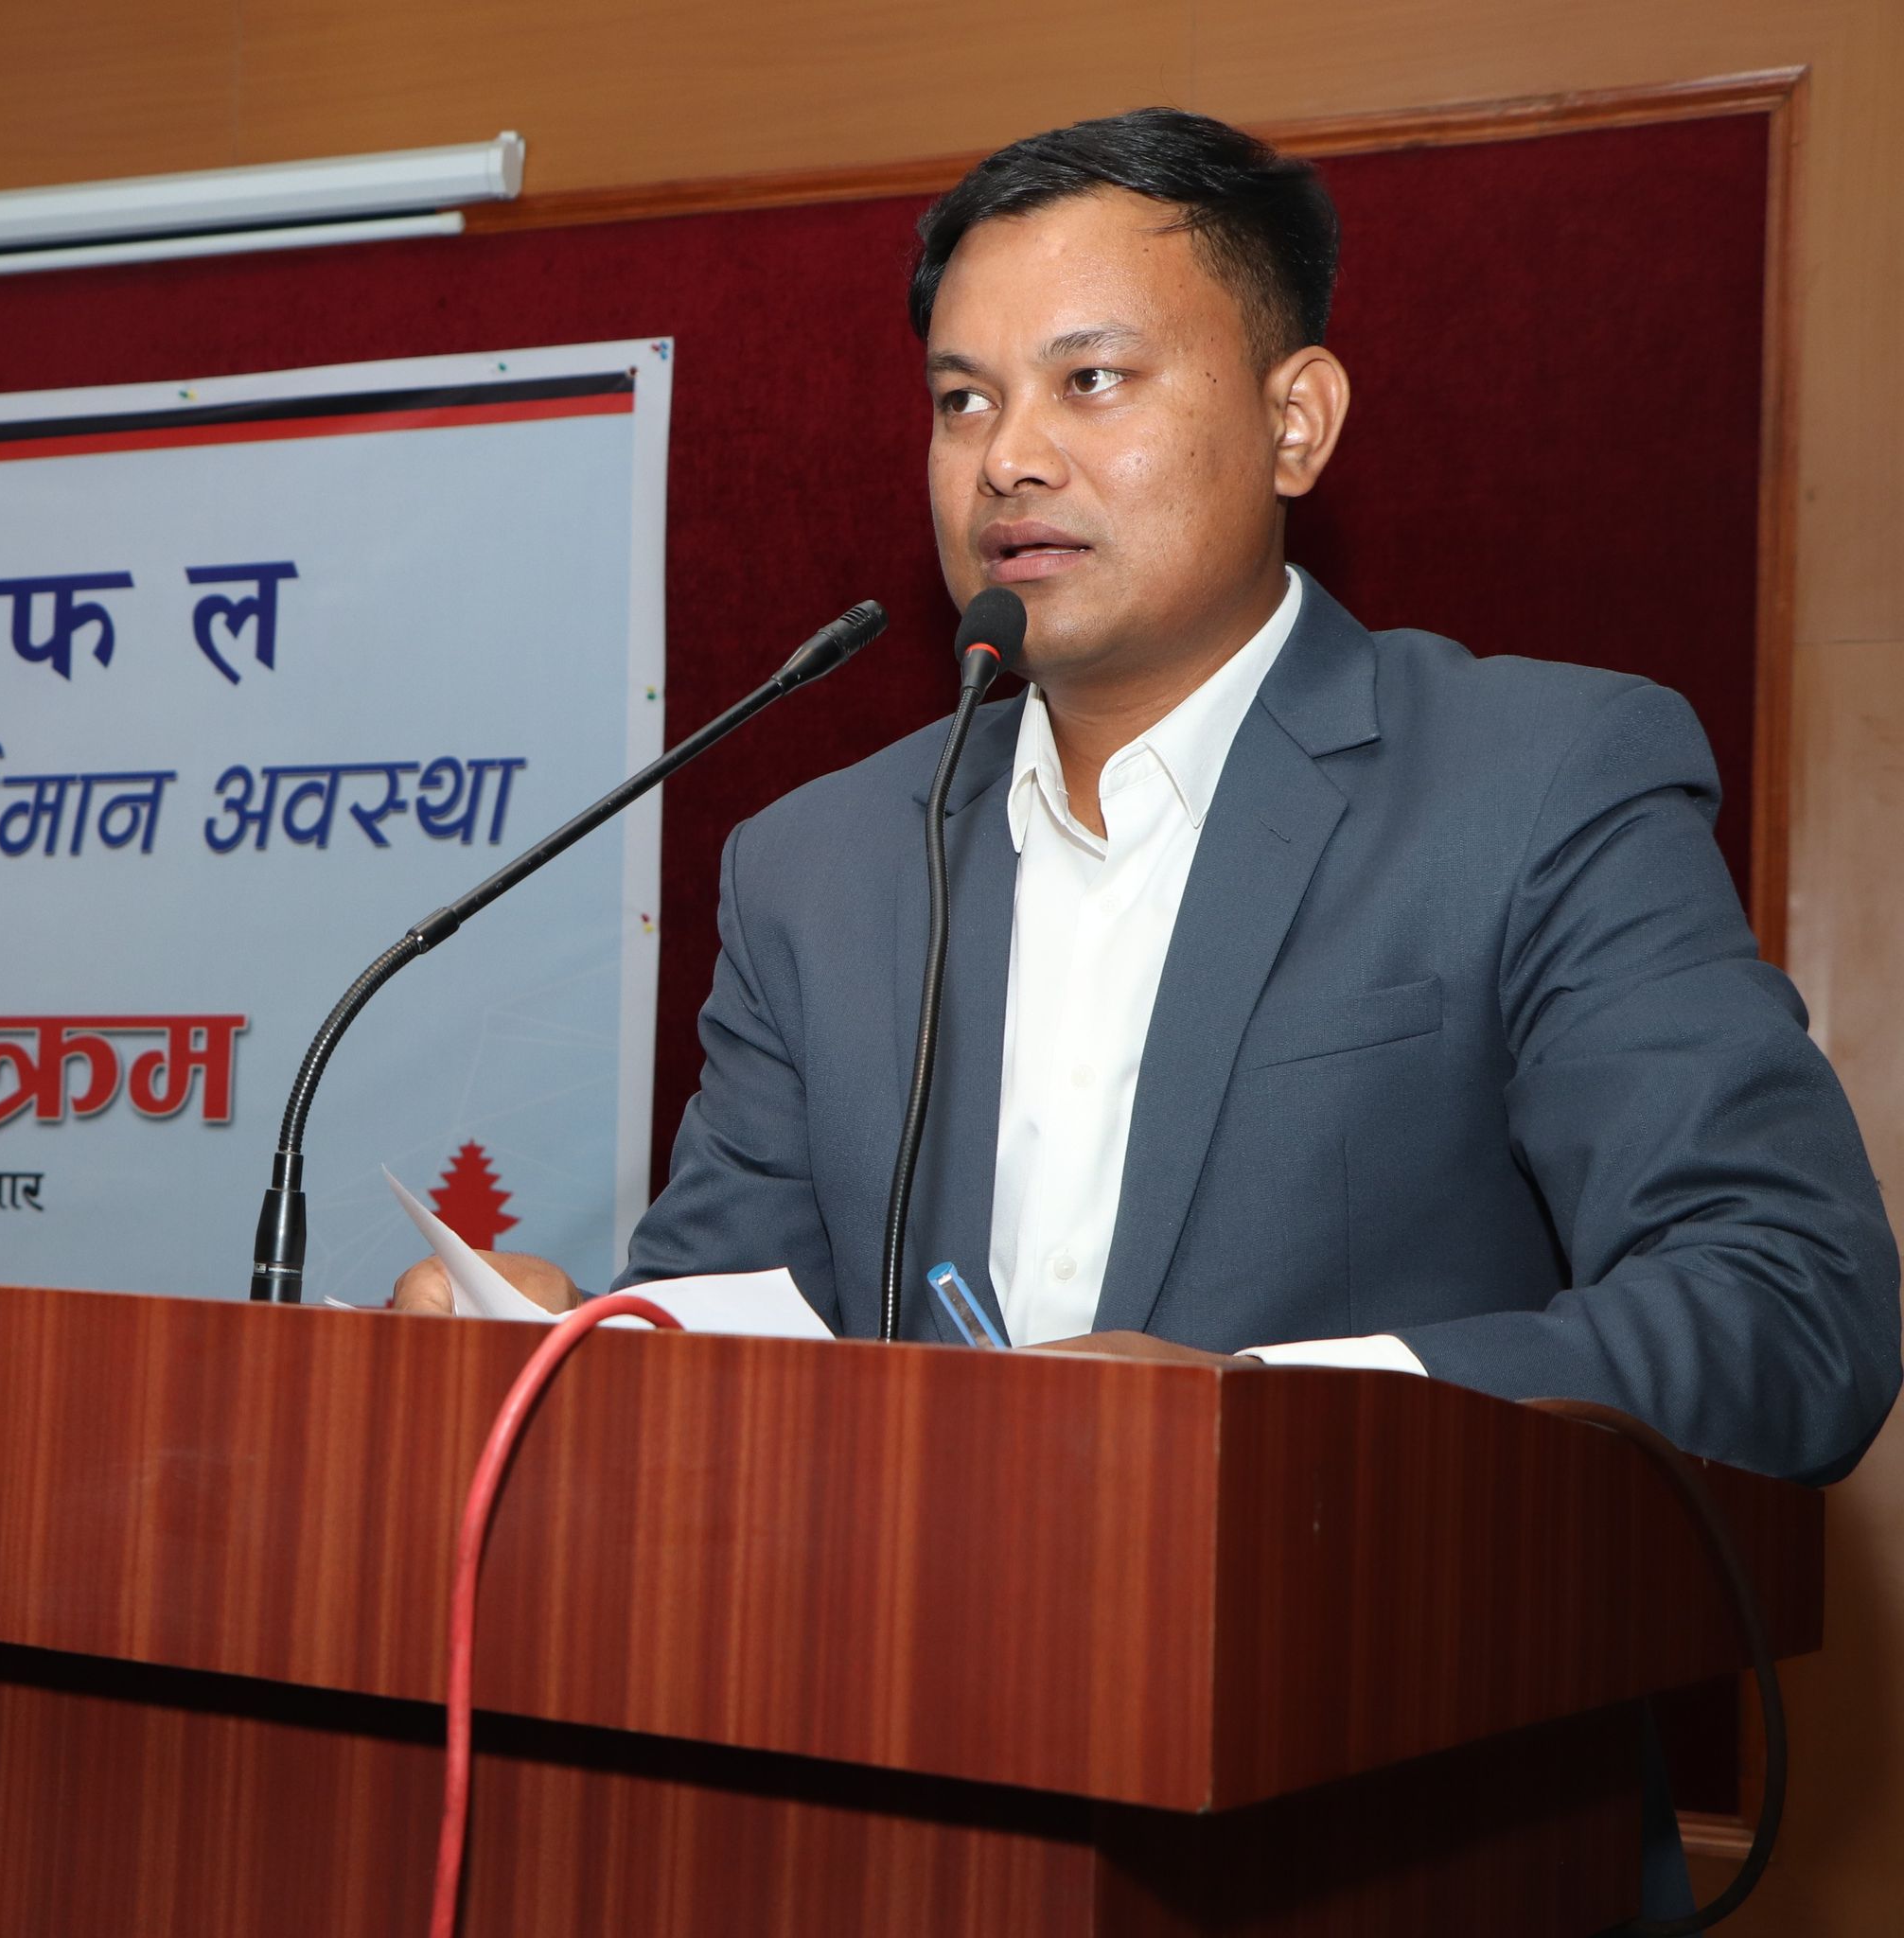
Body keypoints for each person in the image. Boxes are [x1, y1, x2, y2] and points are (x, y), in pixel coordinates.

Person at [393, 107, 1897, 1489]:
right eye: (963, 400)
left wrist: (1266, 1408)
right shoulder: (821, 868)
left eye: (1090, 380)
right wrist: (571, 1349)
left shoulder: (1535, 782)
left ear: (1296, 420)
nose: (1008, 459)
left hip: (1364, 1672)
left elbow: (1791, 1307)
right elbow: (737, 1343)